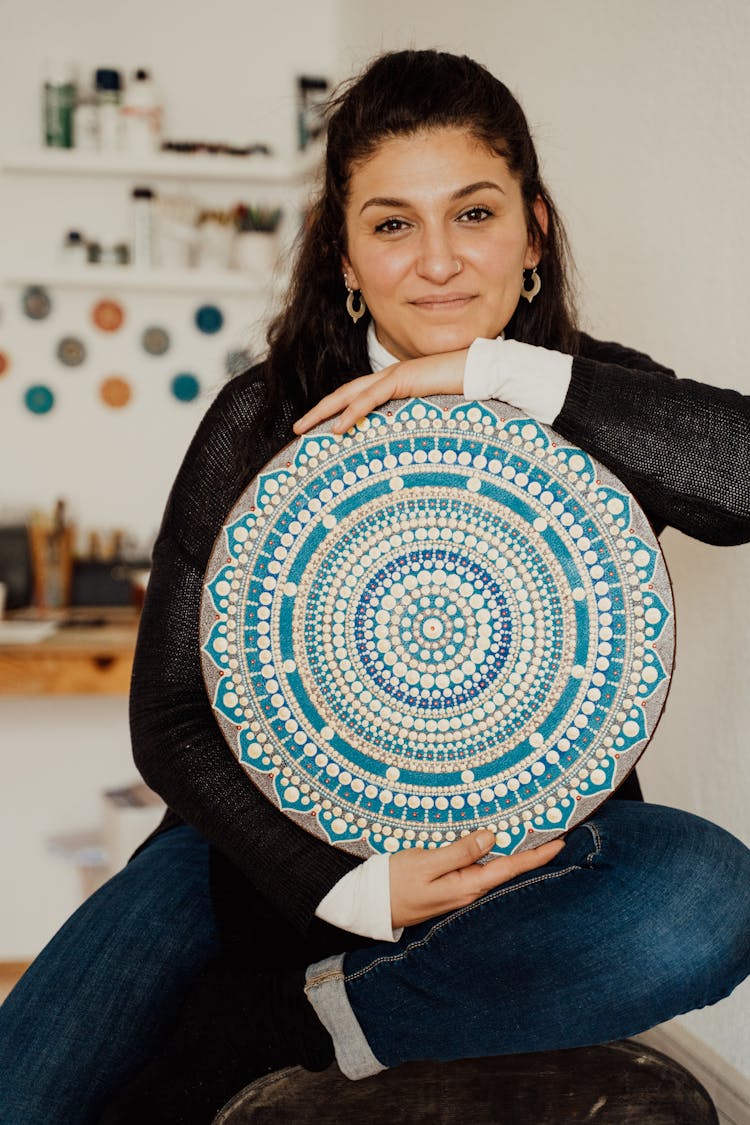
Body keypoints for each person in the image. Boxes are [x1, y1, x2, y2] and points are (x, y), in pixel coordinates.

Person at [1, 49, 749, 1125]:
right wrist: (350, 888)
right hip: (258, 858)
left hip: (523, 867)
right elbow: (168, 720)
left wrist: (489, 373)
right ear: (345, 257)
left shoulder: (588, 392)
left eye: (475, 214)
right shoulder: (262, 417)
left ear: (533, 229)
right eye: (393, 224)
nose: (438, 262)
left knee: (706, 902)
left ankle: (316, 1024)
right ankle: (301, 984)